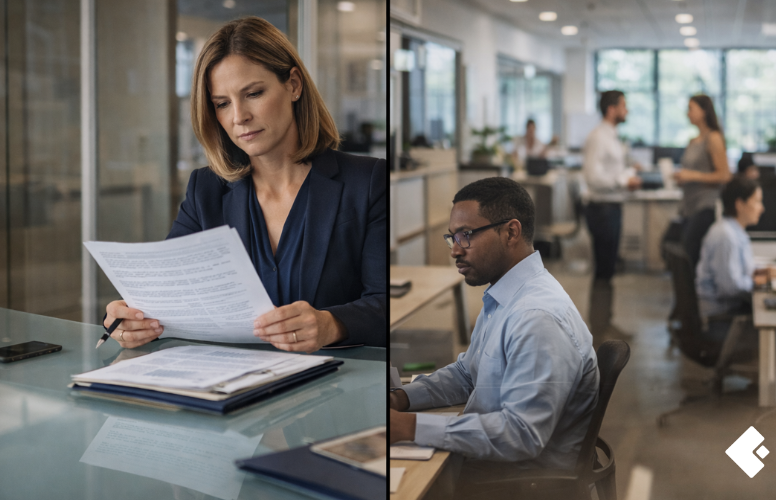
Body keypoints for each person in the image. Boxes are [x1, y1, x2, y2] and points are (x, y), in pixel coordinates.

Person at [101, 17, 386, 352]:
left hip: (337, 385)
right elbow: (168, 296)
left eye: (253, 94)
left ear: (293, 85)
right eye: (222, 103)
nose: (238, 117)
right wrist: (129, 318)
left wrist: (333, 324)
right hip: (235, 386)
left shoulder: (366, 182)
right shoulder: (205, 190)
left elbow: (383, 302)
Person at [389, 177, 599, 496]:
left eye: (466, 236)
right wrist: (402, 398)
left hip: (517, 483)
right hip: (495, 467)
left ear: (510, 232)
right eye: (452, 238)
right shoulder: (504, 296)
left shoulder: (537, 318)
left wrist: (409, 427)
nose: (455, 250)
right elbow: (466, 374)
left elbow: (522, 435)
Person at [582, 90, 642, 341]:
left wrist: (628, 171)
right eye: (623, 106)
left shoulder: (611, 136)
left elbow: (610, 169)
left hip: (612, 207)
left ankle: (605, 322)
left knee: (608, 269)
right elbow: (593, 177)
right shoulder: (598, 137)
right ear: (611, 109)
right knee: (604, 270)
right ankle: (598, 327)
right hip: (602, 209)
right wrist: (622, 181)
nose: (626, 111)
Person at [696, 176, 776, 343]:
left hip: (727, 315)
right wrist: (759, 281)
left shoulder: (733, 231)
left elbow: (736, 269)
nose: (761, 208)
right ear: (739, 204)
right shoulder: (726, 237)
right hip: (722, 321)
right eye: (756, 202)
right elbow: (729, 287)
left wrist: (758, 271)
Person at [674, 95, 732, 267]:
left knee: (689, 252)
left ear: (704, 111)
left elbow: (724, 175)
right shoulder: (693, 140)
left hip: (705, 205)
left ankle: (695, 292)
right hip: (688, 205)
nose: (688, 113)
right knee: (677, 250)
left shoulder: (713, 138)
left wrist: (692, 176)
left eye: (691, 108)